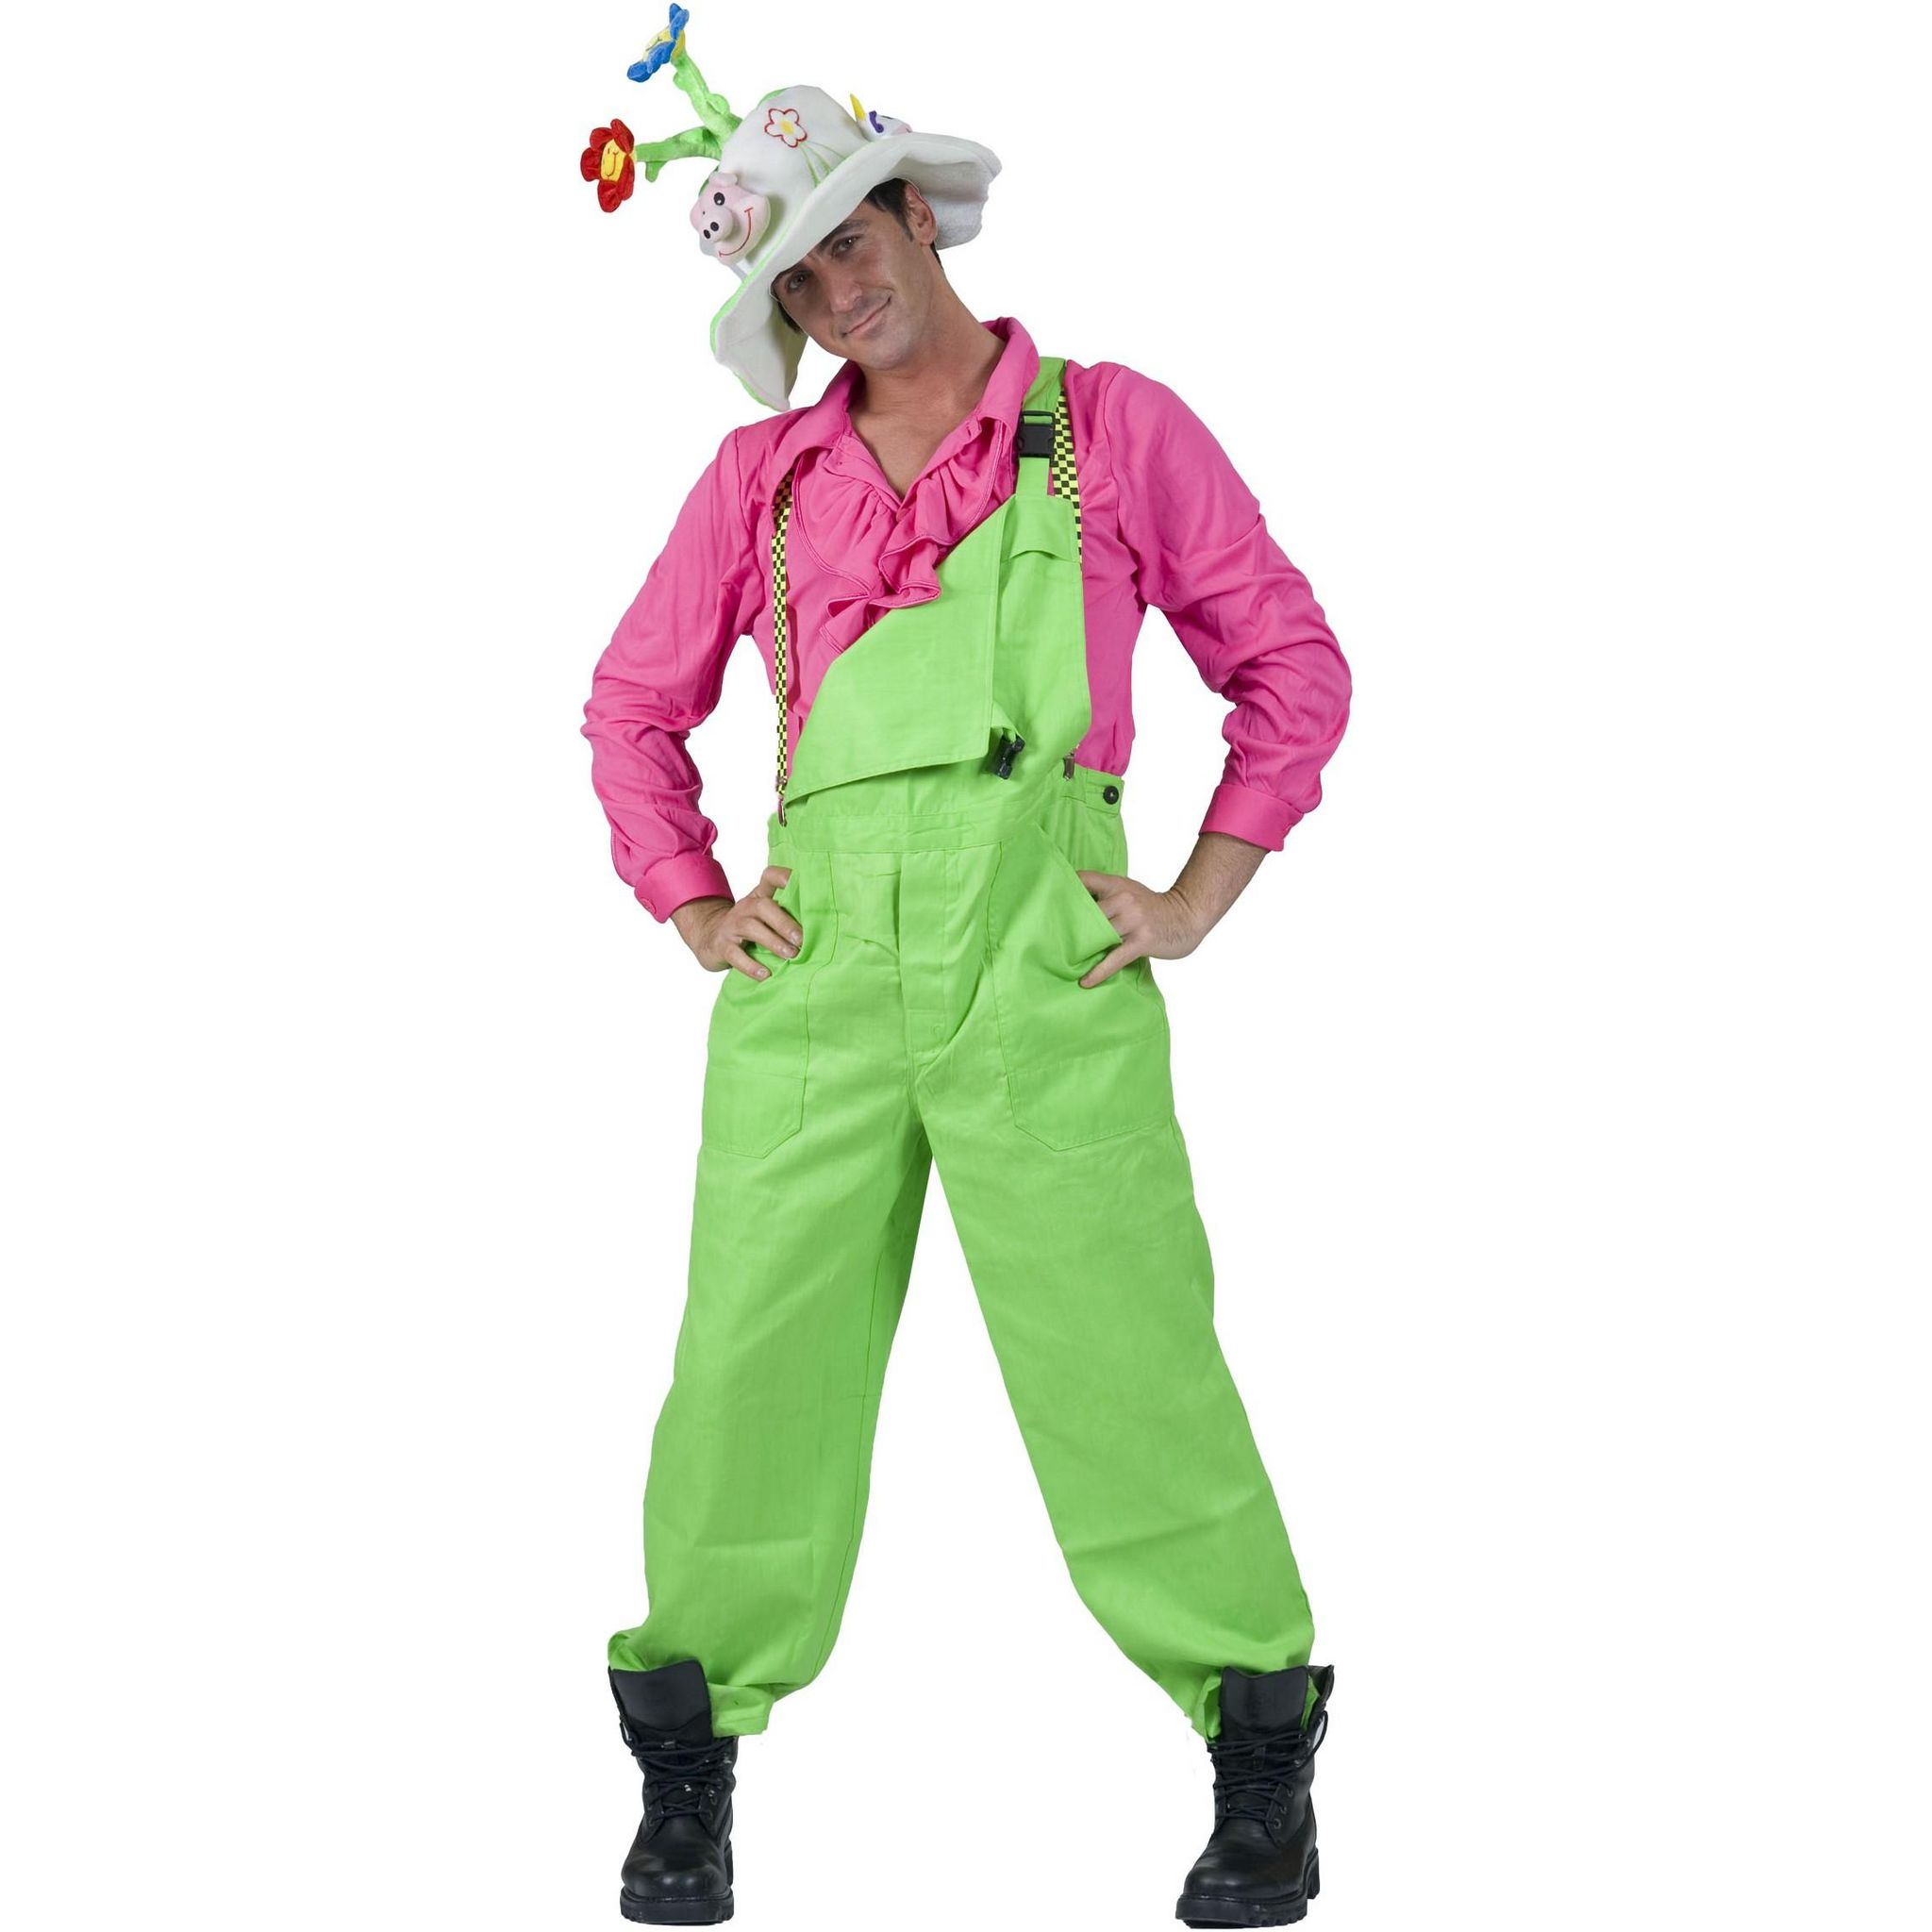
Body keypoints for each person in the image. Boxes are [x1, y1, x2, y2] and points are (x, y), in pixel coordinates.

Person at [577, 12, 1349, 1925]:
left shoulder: (1110, 427)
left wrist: (1194, 896)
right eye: (795, 276)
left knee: (1124, 1355)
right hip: (818, 967)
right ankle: (689, 1771)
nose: (835, 291)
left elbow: (1289, 665)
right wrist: (694, 902)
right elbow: (630, 707)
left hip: (1041, 955)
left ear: (916, 216)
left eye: (849, 240)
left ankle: (1259, 1752)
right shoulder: (758, 483)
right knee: (749, 1369)